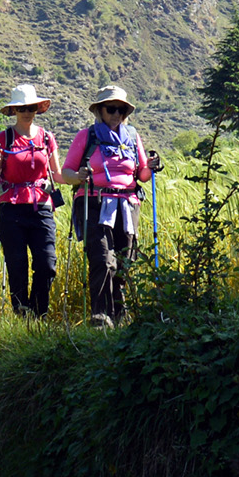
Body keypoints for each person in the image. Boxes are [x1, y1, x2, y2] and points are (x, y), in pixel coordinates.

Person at [61, 84, 154, 325]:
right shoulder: (87, 136)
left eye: (121, 111)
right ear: (100, 111)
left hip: (127, 204)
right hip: (94, 202)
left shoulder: (133, 137)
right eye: (111, 109)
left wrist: (152, 166)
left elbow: (142, 174)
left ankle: (120, 316)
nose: (116, 115)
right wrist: (79, 176)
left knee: (124, 261)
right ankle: (100, 316)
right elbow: (67, 171)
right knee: (102, 259)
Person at [0, 83, 61, 317]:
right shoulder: (4, 137)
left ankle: (39, 313)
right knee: (17, 264)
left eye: (31, 107)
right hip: (11, 209)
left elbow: (57, 174)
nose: (27, 112)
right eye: (22, 109)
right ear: (15, 111)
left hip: (41, 207)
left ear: (37, 109)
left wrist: (81, 177)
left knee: (47, 263)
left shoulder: (48, 139)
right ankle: (22, 312)